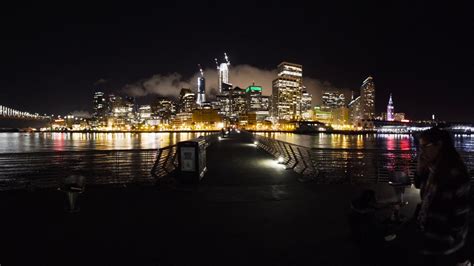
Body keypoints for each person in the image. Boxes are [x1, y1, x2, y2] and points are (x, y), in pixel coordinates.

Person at [414, 127, 471, 265]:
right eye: (419, 147)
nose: (421, 151)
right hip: (428, 234)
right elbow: (418, 185)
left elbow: (461, 213)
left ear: (439, 145)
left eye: (424, 146)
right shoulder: (432, 168)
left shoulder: (457, 175)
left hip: (443, 242)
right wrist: (420, 168)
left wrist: (451, 236)